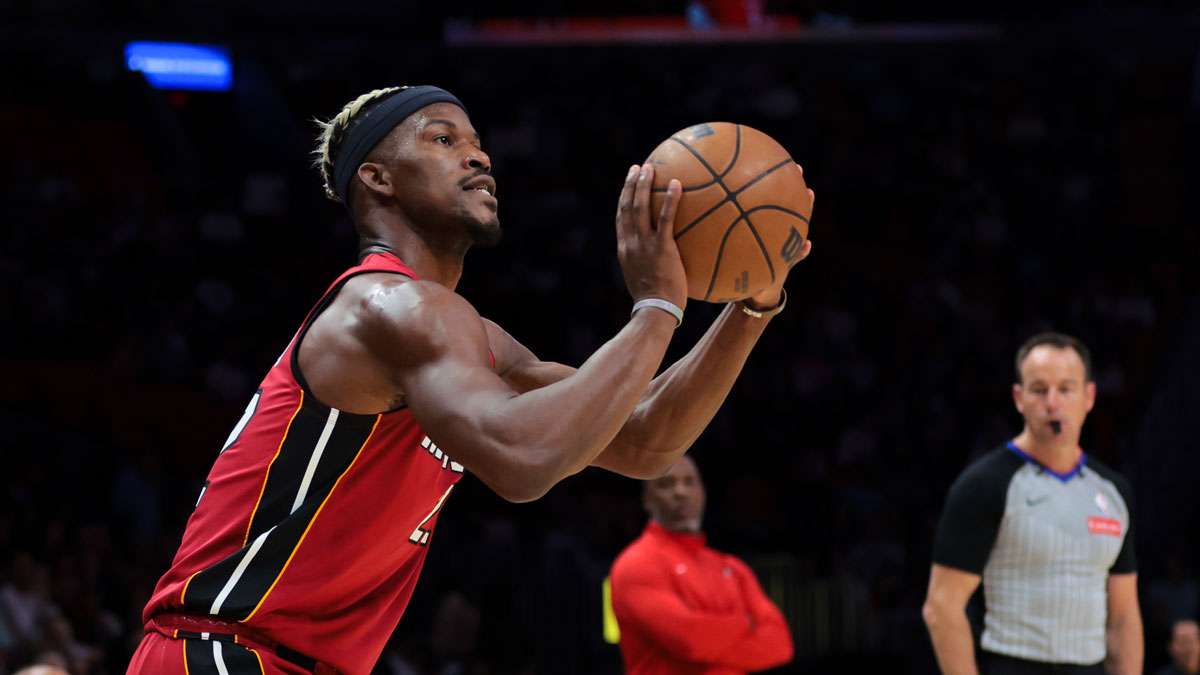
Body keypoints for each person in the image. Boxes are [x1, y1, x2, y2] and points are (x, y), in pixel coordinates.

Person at [125, 85, 813, 675]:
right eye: (444, 139)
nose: (479, 155)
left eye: (478, 141)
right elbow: (524, 459)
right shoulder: (385, 307)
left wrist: (752, 307)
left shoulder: (464, 334)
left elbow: (641, 441)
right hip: (220, 650)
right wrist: (657, 308)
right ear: (378, 179)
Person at [923, 332, 1142, 675]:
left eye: (1066, 389)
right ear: (1018, 397)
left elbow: (1124, 615)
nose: (1052, 402)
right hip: (1010, 663)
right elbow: (941, 607)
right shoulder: (984, 485)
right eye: (1039, 390)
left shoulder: (1114, 492)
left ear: (1089, 396)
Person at [608, 455, 794, 674]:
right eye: (666, 484)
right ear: (647, 500)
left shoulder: (732, 567)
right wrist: (744, 622)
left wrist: (709, 640)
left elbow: (780, 644)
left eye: (689, 482)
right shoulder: (635, 564)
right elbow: (688, 639)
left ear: (703, 493)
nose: (680, 491)